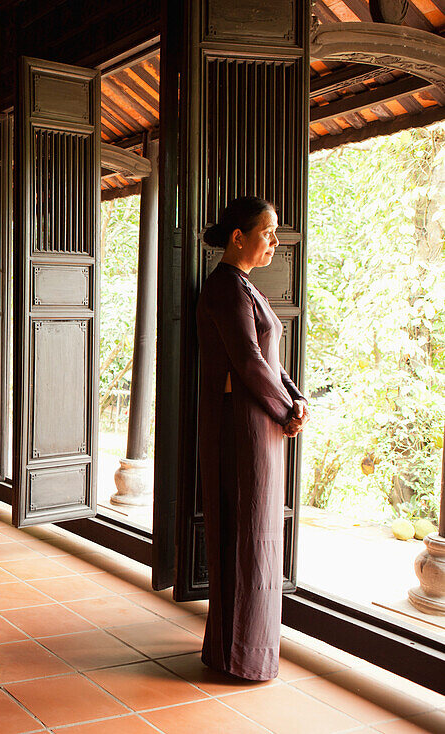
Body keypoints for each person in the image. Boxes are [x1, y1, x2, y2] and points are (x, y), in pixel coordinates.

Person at [196, 196, 308, 681]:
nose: (275, 242)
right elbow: (247, 362)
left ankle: (244, 653)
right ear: (239, 237)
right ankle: (237, 658)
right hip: (241, 423)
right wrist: (285, 410)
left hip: (259, 422)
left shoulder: (246, 288)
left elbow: (270, 361)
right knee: (243, 534)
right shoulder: (225, 287)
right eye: (267, 232)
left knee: (257, 532)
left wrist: (296, 398)